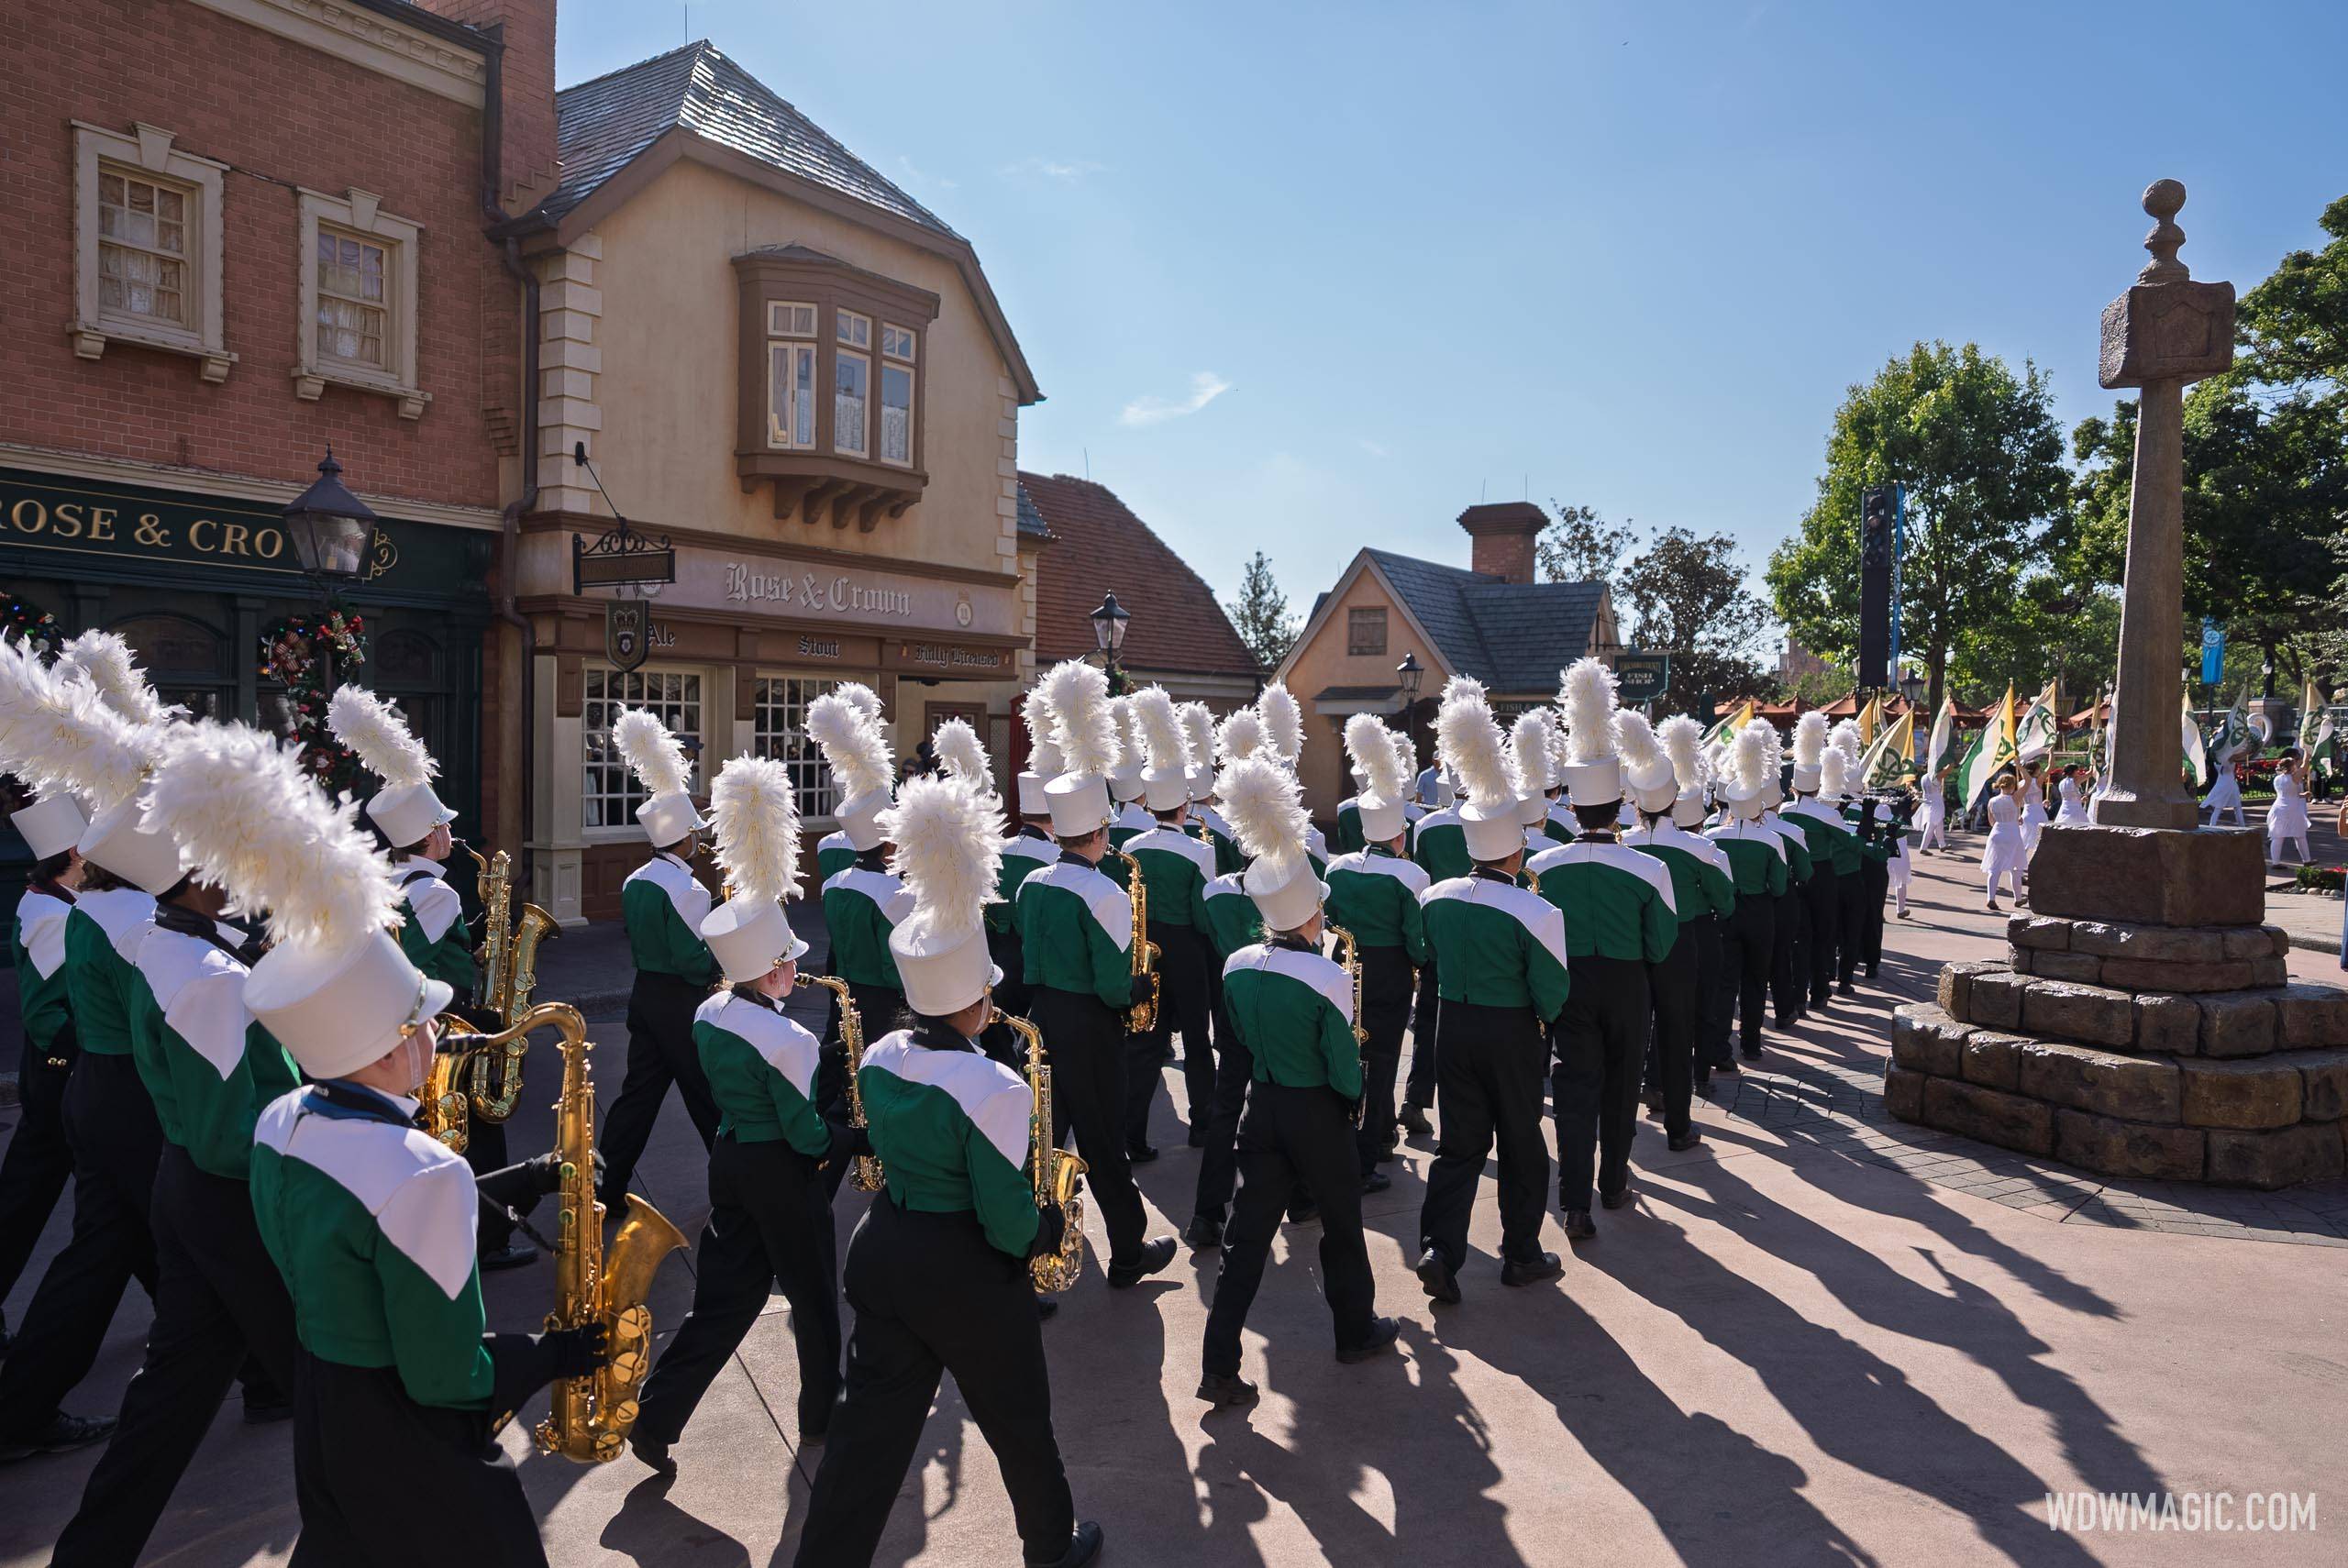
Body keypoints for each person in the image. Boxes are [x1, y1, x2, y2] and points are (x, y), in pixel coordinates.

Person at [243, 797, 604, 1568]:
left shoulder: (278, 1121)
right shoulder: (424, 1170)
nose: (439, 1034)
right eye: (426, 1023)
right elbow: (450, 1376)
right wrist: (553, 1354)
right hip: (415, 1441)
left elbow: (364, 1237)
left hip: (327, 1410)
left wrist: (526, 1179)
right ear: (389, 1049)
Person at [795, 771, 1104, 1568]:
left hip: (884, 1250)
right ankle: (1051, 1549)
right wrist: (1046, 1226)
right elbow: (1005, 1220)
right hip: (964, 1272)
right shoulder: (994, 1084)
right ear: (975, 1003)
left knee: (866, 1439)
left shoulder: (882, 1056)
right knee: (1020, 1422)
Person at [0, 635, 194, 1461]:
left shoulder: (81, 910)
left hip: (88, 1086)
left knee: (116, 1239)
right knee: (128, 1232)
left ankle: (231, 1352)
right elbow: (61, 1018)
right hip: (87, 1081)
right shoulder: (83, 916)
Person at [634, 755, 850, 1468]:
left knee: (723, 1302)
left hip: (730, 1162)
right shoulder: (790, 1038)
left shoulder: (709, 1014)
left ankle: (656, 1416)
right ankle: (820, 1416)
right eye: (788, 961)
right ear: (773, 969)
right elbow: (806, 1135)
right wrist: (850, 1137)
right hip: (781, 1172)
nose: (795, 970)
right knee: (814, 1299)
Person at [1197, 755, 1399, 1407]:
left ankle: (1218, 1363)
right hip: (1316, 1114)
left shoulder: (1236, 964)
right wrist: (1353, 1104)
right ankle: (1354, 1330)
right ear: (1310, 916)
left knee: (1245, 1239)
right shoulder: (1326, 975)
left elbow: (1237, 1034)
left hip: (1261, 1108)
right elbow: (1342, 1066)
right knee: (1342, 1225)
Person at [329, 686, 530, 1271]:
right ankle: (487, 1239)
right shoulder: (438, 892)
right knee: (482, 1133)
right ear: (431, 837)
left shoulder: (390, 880)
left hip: (419, 1020)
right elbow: (417, 958)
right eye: (443, 827)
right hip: (450, 1019)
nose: (450, 835)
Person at [1017, 660, 1178, 1288]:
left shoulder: (1033, 882)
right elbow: (1114, 987)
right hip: (1091, 1030)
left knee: (1043, 1145)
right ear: (1102, 830)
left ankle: (1031, 1253)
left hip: (1042, 1021)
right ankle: (1128, 1253)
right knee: (1105, 1145)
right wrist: (1140, 987)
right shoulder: (1105, 893)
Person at [1413, 680, 1569, 1302]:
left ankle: (1439, 1249)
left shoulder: (1434, 897)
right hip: (1511, 1032)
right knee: (1522, 1144)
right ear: (1517, 847)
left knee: (1458, 1146)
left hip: (1452, 1025)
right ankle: (1521, 1253)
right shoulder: (1538, 910)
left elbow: (1426, 953)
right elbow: (1553, 993)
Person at [1532, 672, 1679, 1242]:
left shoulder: (1540, 867)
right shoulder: (1650, 867)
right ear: (1619, 806)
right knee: (1621, 1086)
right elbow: (1661, 944)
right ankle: (1613, 1184)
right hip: (1626, 983)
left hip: (1569, 983)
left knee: (1573, 1091)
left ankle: (1574, 1204)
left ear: (1571, 807)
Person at [597, 709, 723, 1209]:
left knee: (636, 1099)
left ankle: (605, 1187)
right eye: (696, 834)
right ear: (685, 839)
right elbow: (694, 961)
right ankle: (736, 1189)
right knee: (708, 1099)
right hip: (682, 1002)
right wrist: (722, 960)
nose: (700, 841)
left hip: (645, 997)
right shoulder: (689, 889)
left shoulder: (635, 880)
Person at [1324, 716, 1430, 1191]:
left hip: (1345, 965)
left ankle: (1374, 1133)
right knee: (1382, 1061)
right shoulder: (1412, 876)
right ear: (1399, 835)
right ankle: (1367, 1156)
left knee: (1351, 1053)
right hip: (1389, 972)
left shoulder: (1338, 868)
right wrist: (1422, 964)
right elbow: (1416, 941)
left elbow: (1329, 919)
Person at [0, 791, 86, 1355]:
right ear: (73, 856)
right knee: (24, 1202)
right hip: (59, 1074)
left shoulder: (47, 902)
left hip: (54, 1073)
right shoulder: (55, 916)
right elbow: (45, 1014)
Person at [809, 690, 913, 1159]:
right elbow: (897, 964)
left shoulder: (836, 883)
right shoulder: (894, 893)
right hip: (885, 1000)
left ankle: (828, 1141)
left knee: (841, 1071)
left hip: (845, 988)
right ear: (888, 843)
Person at [1622, 714, 1733, 1141]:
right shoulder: (1700, 848)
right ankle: (1678, 1125)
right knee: (1677, 1029)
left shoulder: (1623, 844)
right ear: (1673, 802)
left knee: (1632, 1031)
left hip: (1632, 946)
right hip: (1680, 944)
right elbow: (1725, 901)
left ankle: (1629, 1118)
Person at [1124, 688, 1219, 1151]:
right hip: (1187, 951)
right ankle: (1202, 1124)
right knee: (1197, 1040)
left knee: (1146, 1042)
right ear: (1184, 807)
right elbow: (1203, 914)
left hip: (1147, 950)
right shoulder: (1199, 850)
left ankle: (1133, 1135)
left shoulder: (1131, 847)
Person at [1705, 728, 1787, 1068]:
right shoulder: (1771, 839)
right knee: (1755, 980)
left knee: (1725, 983)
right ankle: (1751, 1044)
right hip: (1759, 911)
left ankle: (1720, 1048)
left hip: (1725, 913)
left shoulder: (1711, 836)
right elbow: (1779, 887)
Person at [1983, 775, 2028, 911]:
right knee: (2016, 868)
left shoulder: (1992, 801)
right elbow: (2028, 781)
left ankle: (1991, 898)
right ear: (2013, 785)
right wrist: (2019, 766)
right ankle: (2018, 898)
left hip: (1997, 833)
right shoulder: (2015, 798)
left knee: (1994, 868)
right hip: (2012, 834)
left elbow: (1991, 822)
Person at [2269, 751, 2312, 867]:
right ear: (2291, 767)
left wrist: (2303, 795)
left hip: (2278, 808)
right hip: (2292, 809)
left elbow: (2288, 794)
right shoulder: (2294, 778)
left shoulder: (2277, 779)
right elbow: (2305, 765)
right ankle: (2307, 860)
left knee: (2278, 836)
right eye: (2294, 764)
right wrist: (2307, 753)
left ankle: (2275, 862)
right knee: (2300, 835)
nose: (2296, 766)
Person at [2018, 761, 2050, 856]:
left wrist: (2041, 803)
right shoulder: (2038, 781)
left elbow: (2021, 802)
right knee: (2041, 840)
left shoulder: (2020, 783)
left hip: (2027, 812)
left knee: (2024, 841)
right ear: (2035, 770)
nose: (2040, 771)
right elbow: (2050, 767)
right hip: (2039, 813)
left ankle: (2019, 861)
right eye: (2039, 769)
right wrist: (2051, 754)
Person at [2205, 756, 2247, 828]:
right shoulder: (2229, 759)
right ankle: (2242, 826)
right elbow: (2230, 769)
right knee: (2237, 807)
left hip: (2221, 783)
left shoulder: (2216, 761)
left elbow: (2227, 772)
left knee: (2218, 808)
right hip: (2230, 784)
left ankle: (2212, 826)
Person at [1917, 766, 1951, 854]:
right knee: (1931, 825)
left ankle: (1942, 845)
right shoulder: (1935, 777)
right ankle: (1923, 847)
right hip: (1936, 804)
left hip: (1928, 802)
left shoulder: (1924, 777)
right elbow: (1946, 772)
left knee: (1939, 825)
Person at [2054, 763, 2093, 827]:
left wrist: (2080, 800)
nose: (2078, 773)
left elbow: (2067, 798)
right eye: (2077, 771)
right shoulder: (2075, 780)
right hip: (2075, 810)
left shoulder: (2061, 782)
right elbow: (2090, 774)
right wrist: (2092, 764)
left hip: (2064, 809)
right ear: (2074, 771)